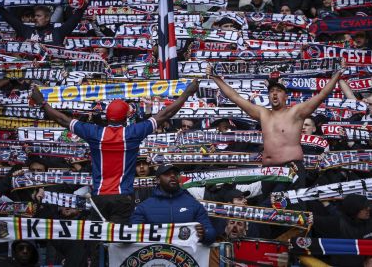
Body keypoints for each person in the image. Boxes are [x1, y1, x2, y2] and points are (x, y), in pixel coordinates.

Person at [30, 79, 199, 223]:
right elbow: (166, 114)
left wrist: (42, 103)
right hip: (123, 197)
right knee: (119, 246)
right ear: (126, 118)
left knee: (98, 248)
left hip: (98, 197)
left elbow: (63, 119)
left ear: (107, 117)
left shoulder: (94, 132)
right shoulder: (132, 132)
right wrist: (186, 93)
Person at [206, 66, 345, 190]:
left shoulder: (296, 113)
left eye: (278, 90)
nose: (274, 93)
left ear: (286, 96)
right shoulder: (263, 113)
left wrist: (337, 75)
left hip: (290, 168)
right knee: (270, 215)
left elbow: (322, 95)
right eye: (271, 90)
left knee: (290, 210)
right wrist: (215, 78)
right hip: (268, 171)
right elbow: (235, 97)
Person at [130, 164, 216, 245]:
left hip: (186, 259)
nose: (172, 176)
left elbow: (211, 234)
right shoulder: (144, 207)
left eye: (175, 174)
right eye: (167, 174)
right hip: (155, 258)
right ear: (158, 180)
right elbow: (131, 235)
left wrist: (205, 234)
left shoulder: (193, 204)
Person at [0, 1, 87, 46]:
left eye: (38, 16)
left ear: (47, 18)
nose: (35, 18)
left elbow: (73, 21)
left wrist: (83, 6)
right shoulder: (27, 30)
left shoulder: (58, 32)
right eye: (35, 16)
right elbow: (10, 19)